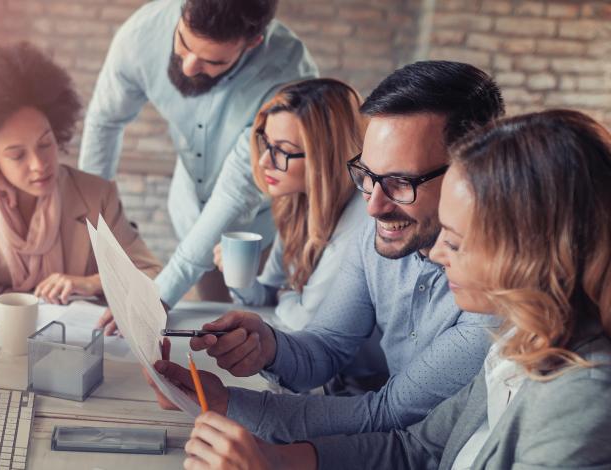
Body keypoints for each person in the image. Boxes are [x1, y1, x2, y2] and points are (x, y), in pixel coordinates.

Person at [180, 109, 611, 470]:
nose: (439, 254)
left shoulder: (581, 399)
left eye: (456, 241)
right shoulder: (517, 345)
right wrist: (272, 457)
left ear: (532, 252)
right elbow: (415, 449)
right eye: (368, 177)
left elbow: (385, 416)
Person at [148, 61, 505, 442]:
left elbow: (387, 413)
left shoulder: (496, 292)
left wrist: (227, 404)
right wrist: (269, 346)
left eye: (401, 182)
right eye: (368, 177)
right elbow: (327, 345)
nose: (373, 207)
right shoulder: (377, 231)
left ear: (473, 173)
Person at [80, 0, 319, 326]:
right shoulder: (141, 35)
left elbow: (237, 192)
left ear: (252, 43)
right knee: (205, 325)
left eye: (212, 60)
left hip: (259, 225)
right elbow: (105, 122)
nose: (190, 65)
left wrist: (160, 294)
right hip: (191, 212)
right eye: (183, 42)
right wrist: (91, 231)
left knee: (258, 325)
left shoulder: (290, 77)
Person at [0, 42, 161, 304]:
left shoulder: (96, 195)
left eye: (45, 144)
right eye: (17, 155)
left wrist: (89, 283)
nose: (39, 164)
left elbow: (151, 274)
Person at [211, 78, 367, 333]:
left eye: (282, 150)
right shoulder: (297, 203)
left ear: (325, 156)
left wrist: (287, 297)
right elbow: (269, 293)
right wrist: (240, 278)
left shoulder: (362, 216)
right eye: (267, 144)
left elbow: (309, 321)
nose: (263, 162)